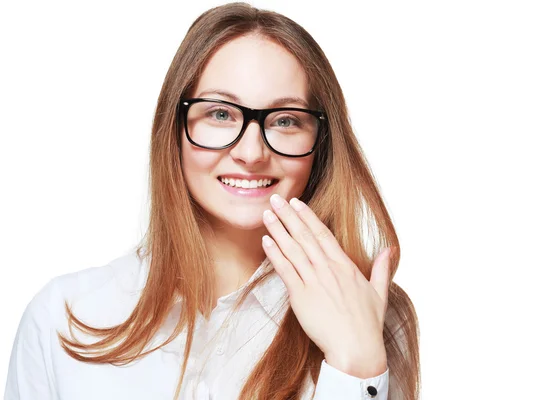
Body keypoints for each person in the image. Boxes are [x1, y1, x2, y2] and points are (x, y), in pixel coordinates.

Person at [4, 2, 420, 399]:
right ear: (175, 127)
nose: (252, 152)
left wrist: (356, 369)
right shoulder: (64, 317)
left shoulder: (370, 312)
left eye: (286, 120)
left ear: (321, 145)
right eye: (221, 114)